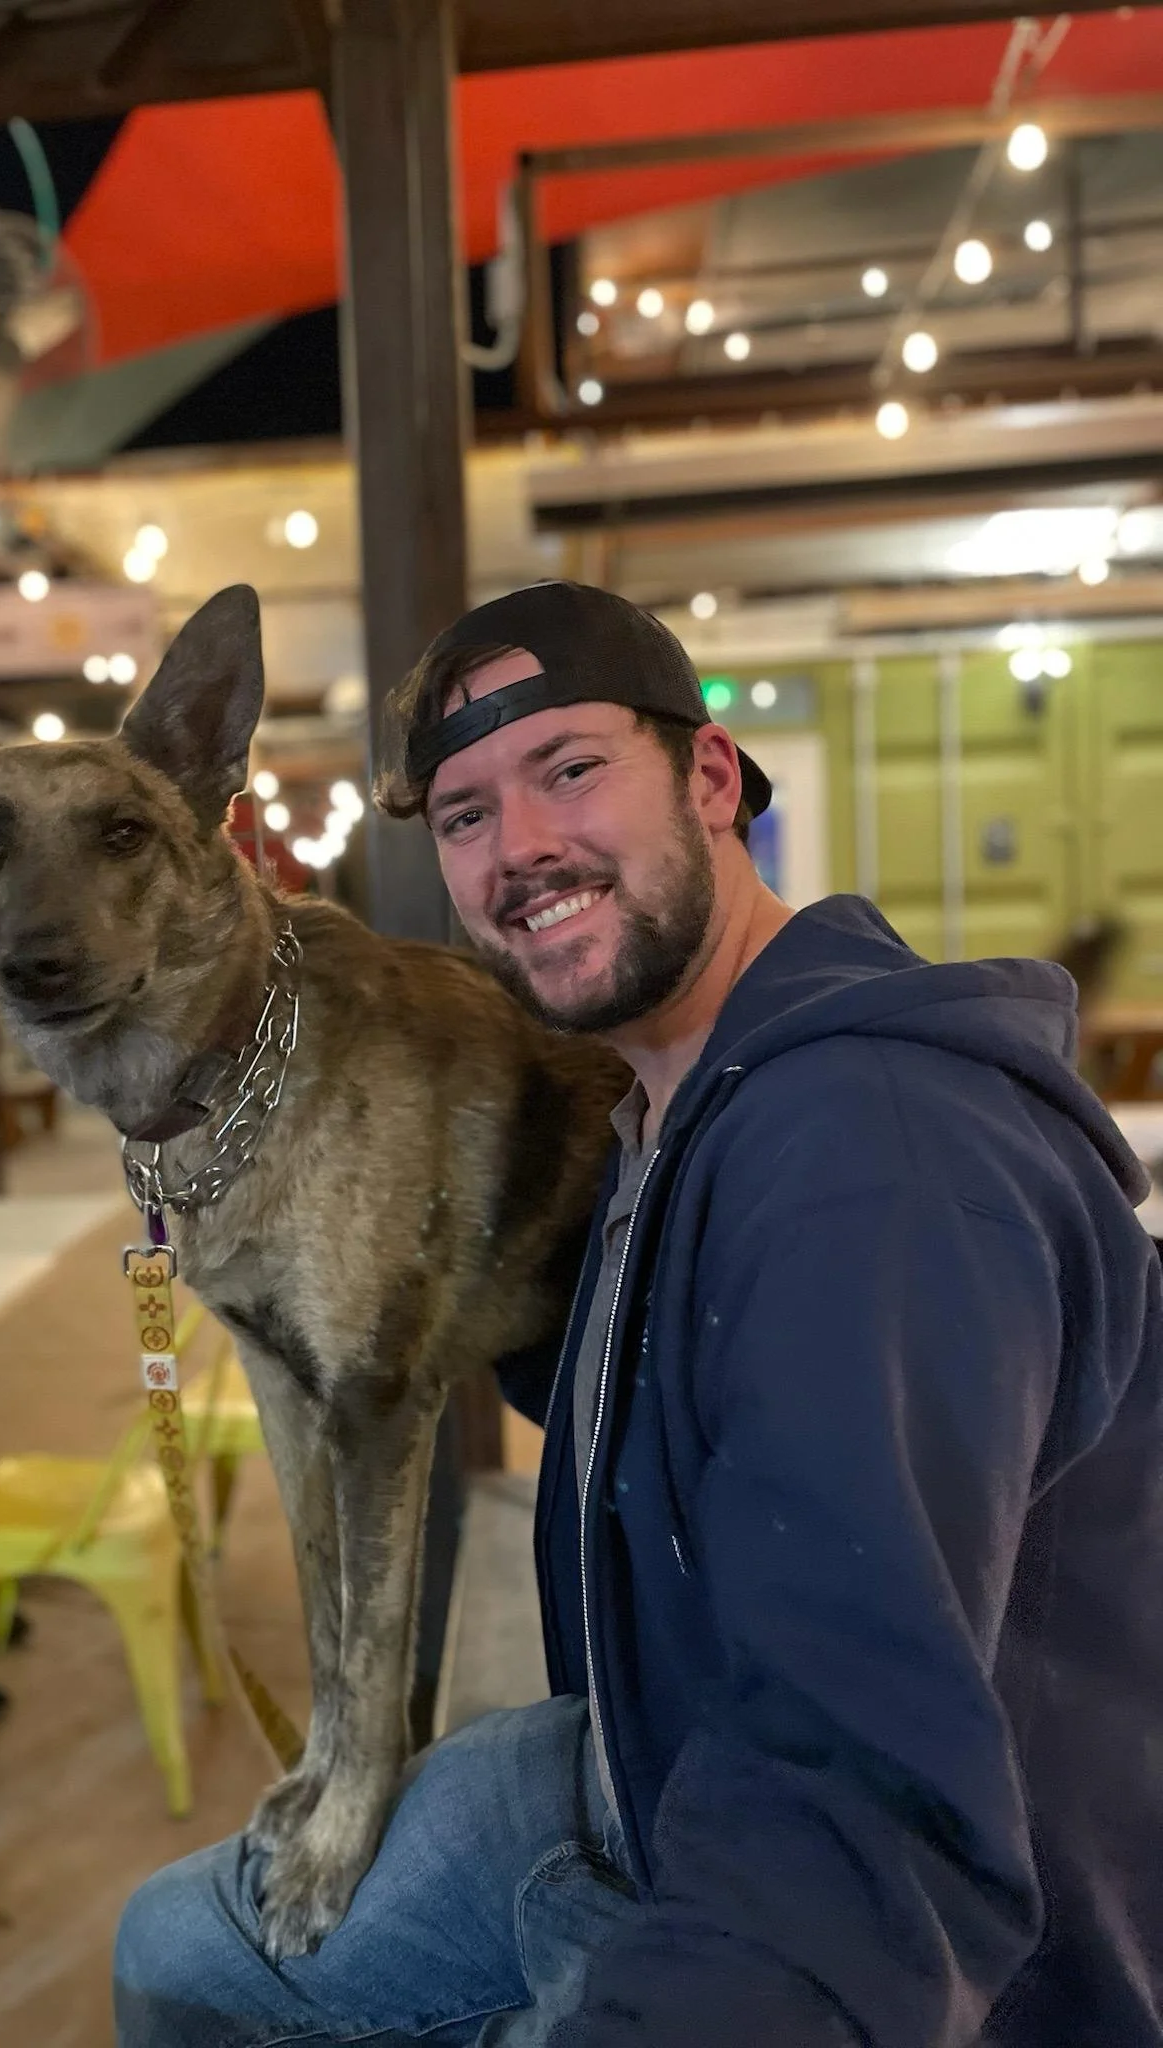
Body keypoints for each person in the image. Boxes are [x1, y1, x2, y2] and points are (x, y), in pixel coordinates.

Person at [114, 581, 1163, 2046]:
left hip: (954, 1953)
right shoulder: (657, 1112)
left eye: (572, 769)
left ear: (713, 778)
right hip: (643, 1767)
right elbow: (645, 1411)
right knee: (175, 1949)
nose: (521, 847)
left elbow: (856, 1797)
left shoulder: (867, 1164)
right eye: (465, 814)